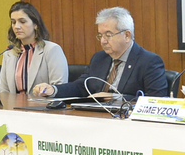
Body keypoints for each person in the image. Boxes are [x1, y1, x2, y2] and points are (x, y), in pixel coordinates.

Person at [33, 7, 167, 99]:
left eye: (108, 35)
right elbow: (81, 86)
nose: (103, 41)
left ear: (127, 35)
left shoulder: (149, 61)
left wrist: (114, 98)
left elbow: (156, 100)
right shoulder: (99, 58)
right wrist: (53, 90)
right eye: (100, 35)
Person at [0, 2, 68, 94]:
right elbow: (3, 91)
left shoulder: (52, 50)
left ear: (36, 24)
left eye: (22, 22)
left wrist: (44, 92)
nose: (16, 26)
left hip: (42, 102)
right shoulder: (9, 54)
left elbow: (59, 88)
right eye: (13, 22)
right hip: (12, 103)